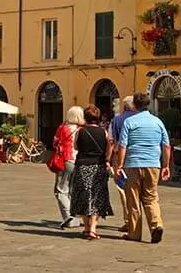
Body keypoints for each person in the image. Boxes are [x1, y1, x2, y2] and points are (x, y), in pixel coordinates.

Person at [115, 92, 171, 244]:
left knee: (133, 200)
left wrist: (119, 165)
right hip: (153, 164)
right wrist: (166, 165)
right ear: (148, 104)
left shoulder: (130, 122)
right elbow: (166, 146)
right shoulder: (158, 122)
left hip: (133, 164)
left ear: (135, 105)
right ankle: (156, 225)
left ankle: (134, 233)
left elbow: (122, 146)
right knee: (151, 197)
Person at [70, 105, 113, 240]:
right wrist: (107, 159)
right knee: (97, 196)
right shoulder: (103, 132)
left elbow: (75, 146)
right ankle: (93, 228)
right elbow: (108, 147)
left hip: (82, 165)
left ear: (85, 118)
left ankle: (86, 227)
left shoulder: (80, 131)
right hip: (98, 166)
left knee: (82, 195)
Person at [105, 96, 136, 233]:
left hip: (121, 159)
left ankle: (129, 221)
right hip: (139, 158)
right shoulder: (141, 118)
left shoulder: (115, 120)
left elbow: (111, 141)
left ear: (124, 107)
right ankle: (139, 220)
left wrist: (108, 159)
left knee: (123, 190)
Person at [53, 106, 84, 229]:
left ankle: (69, 216)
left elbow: (54, 142)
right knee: (72, 190)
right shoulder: (82, 129)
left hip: (65, 160)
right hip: (78, 160)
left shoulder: (63, 128)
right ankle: (75, 218)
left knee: (60, 190)